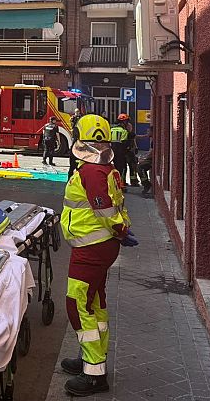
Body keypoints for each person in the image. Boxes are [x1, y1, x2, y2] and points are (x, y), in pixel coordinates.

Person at [59, 114, 137, 396]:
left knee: (78, 304)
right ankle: (91, 358)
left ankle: (94, 373)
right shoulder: (105, 168)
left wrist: (118, 231)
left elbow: (103, 209)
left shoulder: (91, 171)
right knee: (95, 303)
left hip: (91, 248)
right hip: (98, 245)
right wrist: (121, 233)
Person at [117, 114, 139, 186]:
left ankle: (125, 182)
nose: (129, 126)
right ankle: (131, 182)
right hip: (126, 151)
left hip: (120, 152)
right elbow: (132, 138)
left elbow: (132, 139)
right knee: (130, 166)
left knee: (125, 167)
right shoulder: (124, 131)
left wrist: (135, 147)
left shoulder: (116, 130)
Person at [109, 118, 130, 186]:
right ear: (123, 122)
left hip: (111, 152)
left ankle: (113, 183)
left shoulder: (111, 130)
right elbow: (125, 143)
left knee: (112, 168)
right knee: (122, 168)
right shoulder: (124, 131)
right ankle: (121, 184)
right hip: (120, 152)